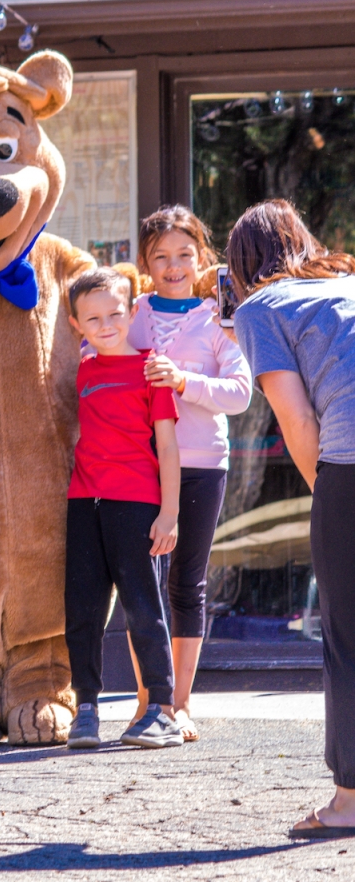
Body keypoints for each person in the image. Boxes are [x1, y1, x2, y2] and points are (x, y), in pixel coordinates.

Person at [228, 199, 355, 838]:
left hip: (351, 462)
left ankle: (350, 802)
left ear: (241, 263)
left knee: (348, 639)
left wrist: (325, 493)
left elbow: (297, 419)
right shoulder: (349, 285)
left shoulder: (260, 309)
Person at [126, 206, 252, 741]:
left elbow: (241, 393)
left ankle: (178, 704)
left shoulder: (219, 318)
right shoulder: (130, 313)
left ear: (202, 258)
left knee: (186, 586)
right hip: (139, 470)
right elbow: (100, 360)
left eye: (184, 254)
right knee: (141, 587)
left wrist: (183, 380)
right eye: (161, 256)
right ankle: (145, 703)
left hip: (202, 467)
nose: (173, 265)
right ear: (145, 263)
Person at [64, 267, 183, 750]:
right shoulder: (85, 370)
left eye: (115, 313)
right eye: (92, 318)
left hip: (136, 503)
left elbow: (168, 447)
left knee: (142, 606)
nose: (106, 324)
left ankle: (162, 710)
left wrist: (170, 512)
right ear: (76, 324)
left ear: (133, 312)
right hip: (82, 502)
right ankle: (86, 707)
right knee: (83, 609)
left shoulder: (152, 367)